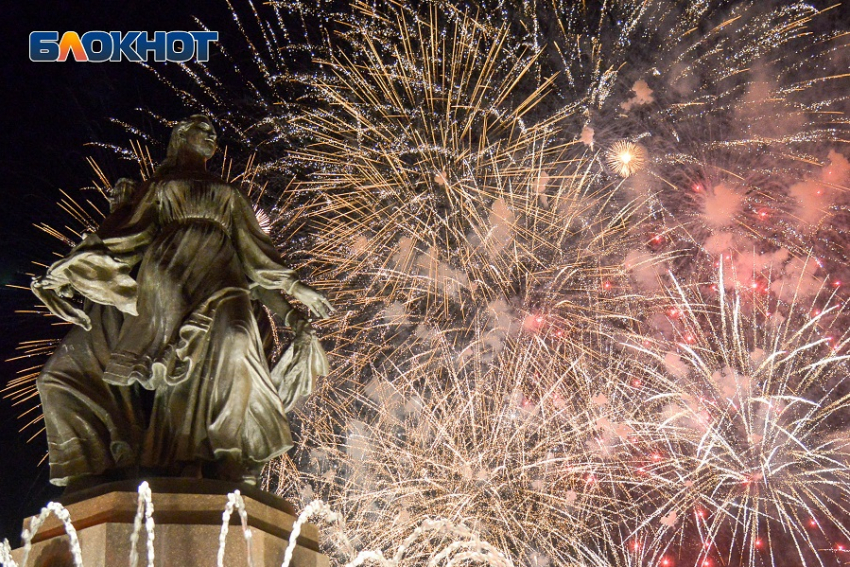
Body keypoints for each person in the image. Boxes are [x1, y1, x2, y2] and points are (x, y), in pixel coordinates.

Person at [33, 115, 330, 488]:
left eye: (215, 132)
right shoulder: (159, 187)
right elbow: (124, 238)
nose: (211, 135)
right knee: (181, 370)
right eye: (201, 129)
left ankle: (228, 451)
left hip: (224, 280)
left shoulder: (230, 194)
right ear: (180, 136)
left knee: (238, 340)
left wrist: (293, 297)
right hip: (169, 284)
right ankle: (198, 455)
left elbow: (257, 257)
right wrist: (66, 271)